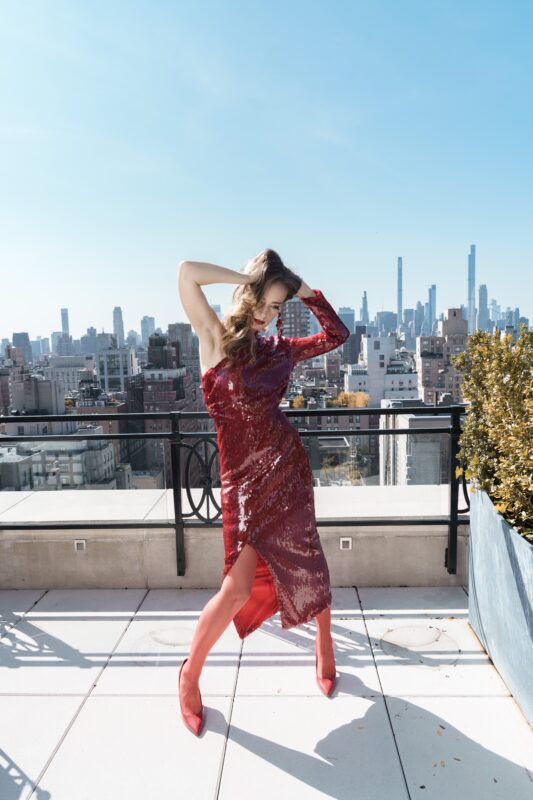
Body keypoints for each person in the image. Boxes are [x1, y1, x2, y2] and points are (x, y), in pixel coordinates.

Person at [177, 249, 350, 735]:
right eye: (263, 301)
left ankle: (324, 642)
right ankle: (189, 675)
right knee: (233, 591)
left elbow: (337, 335)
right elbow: (186, 273)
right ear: (248, 291)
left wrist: (306, 293)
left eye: (277, 307)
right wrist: (250, 280)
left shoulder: (280, 350)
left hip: (286, 469)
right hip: (243, 485)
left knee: (308, 560)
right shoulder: (213, 338)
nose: (267, 314)